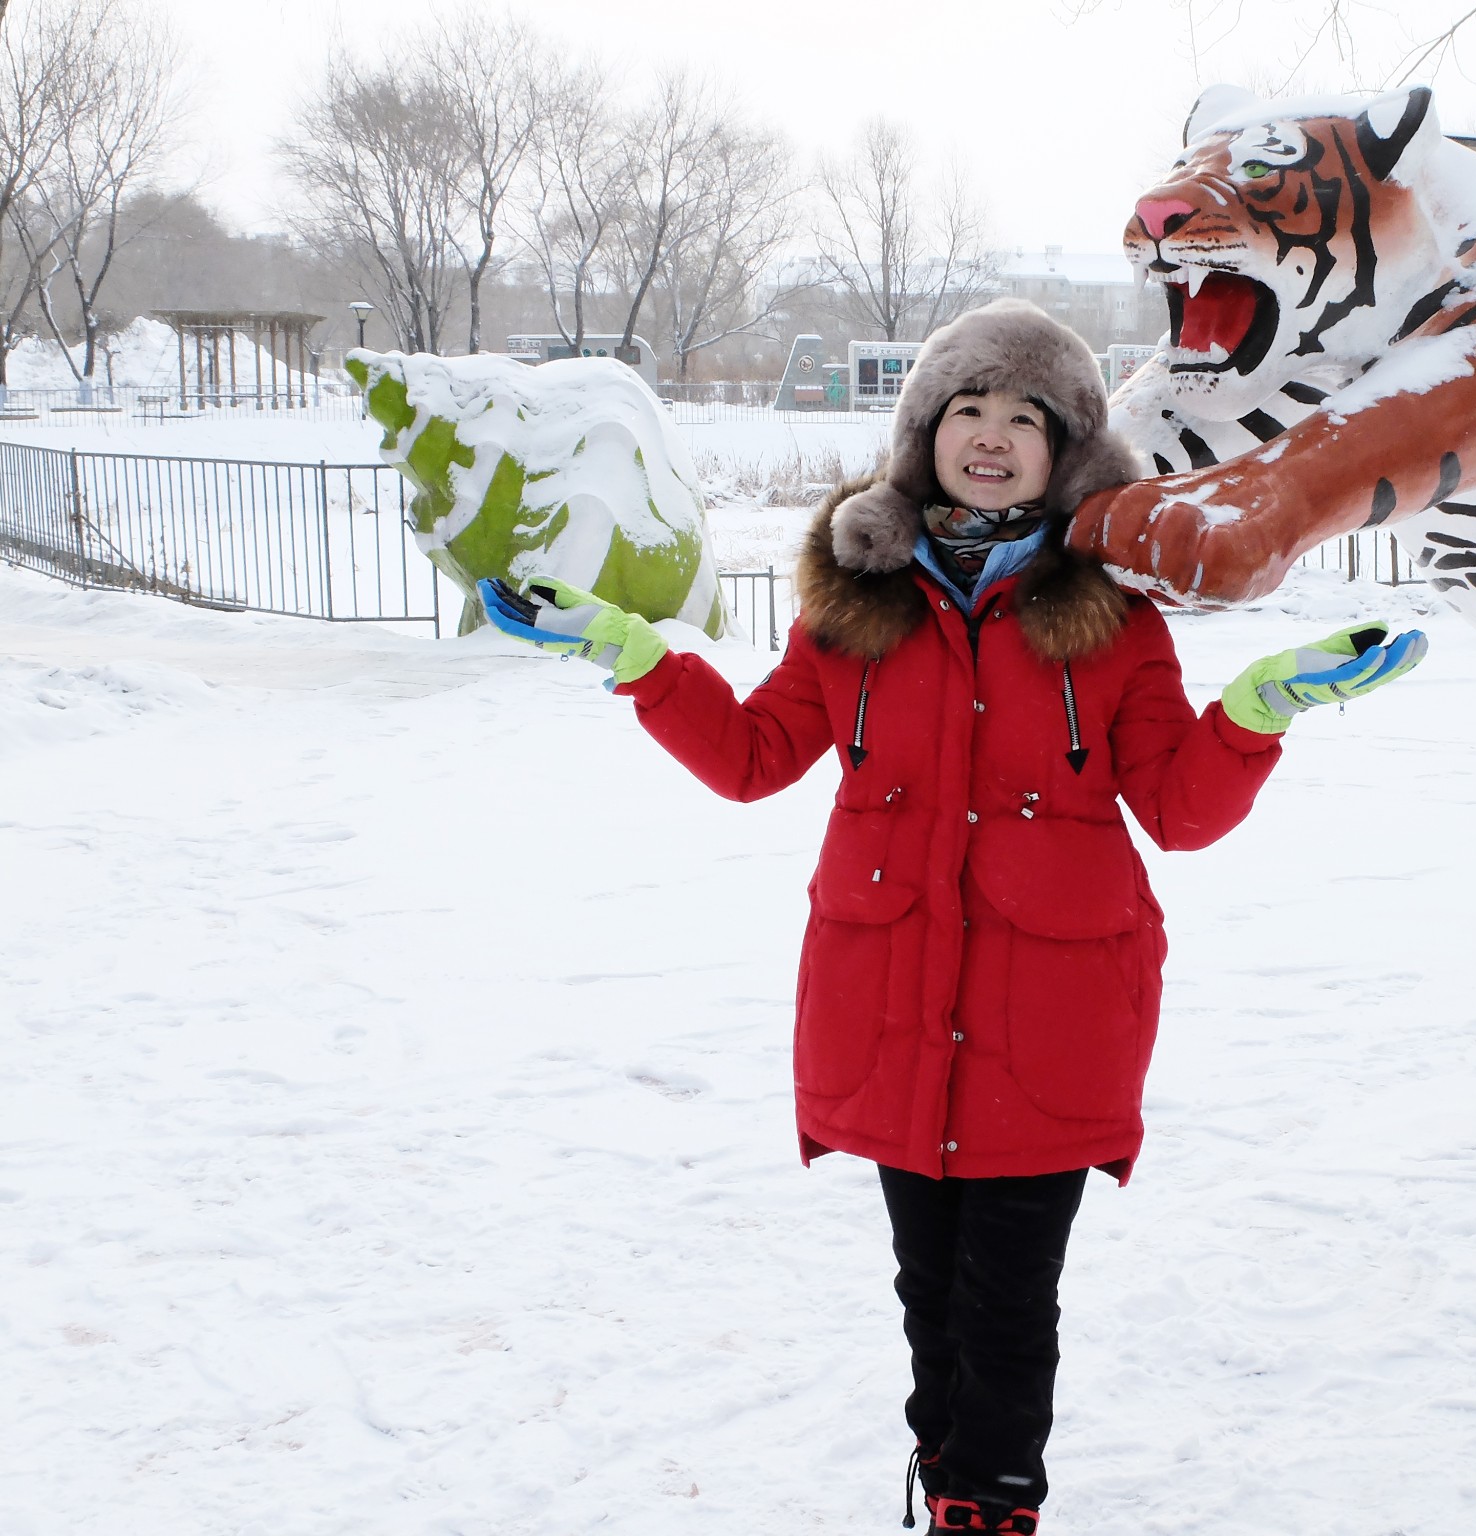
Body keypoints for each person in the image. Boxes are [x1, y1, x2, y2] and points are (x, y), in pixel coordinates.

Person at [477, 299, 1425, 1535]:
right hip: (892, 1020)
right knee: (929, 1294)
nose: (987, 436)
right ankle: (951, 1491)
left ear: (1065, 449)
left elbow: (1179, 812)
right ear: (921, 432)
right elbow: (755, 756)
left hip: (1052, 1029)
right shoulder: (855, 610)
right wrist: (635, 655)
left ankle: (990, 1507)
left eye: (1020, 418)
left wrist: (1259, 707)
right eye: (963, 410)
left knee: (1006, 1301)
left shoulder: (1113, 621)